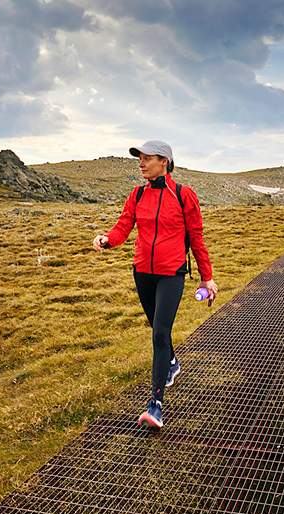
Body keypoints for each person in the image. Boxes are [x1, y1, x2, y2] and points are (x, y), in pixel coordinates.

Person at [92, 140, 218, 429]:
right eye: (140, 158)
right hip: (142, 273)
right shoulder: (136, 195)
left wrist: (206, 276)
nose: (141, 163)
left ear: (165, 161)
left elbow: (197, 238)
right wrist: (108, 239)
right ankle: (172, 362)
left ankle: (155, 405)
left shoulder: (184, 195)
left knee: (161, 333)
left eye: (147, 158)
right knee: (157, 327)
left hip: (171, 273)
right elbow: (123, 226)